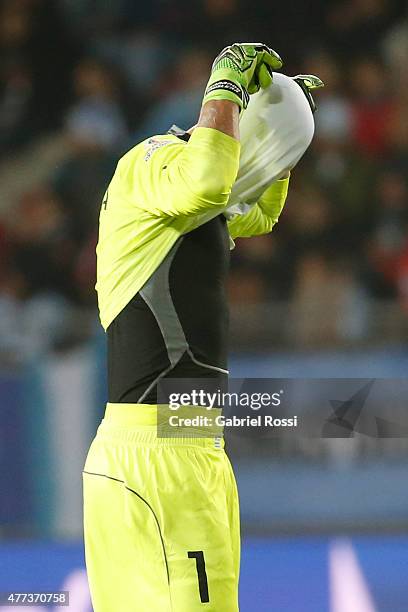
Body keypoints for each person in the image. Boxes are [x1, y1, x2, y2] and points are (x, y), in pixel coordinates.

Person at [83, 43, 322, 611]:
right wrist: (227, 88)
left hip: (173, 445)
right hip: (160, 454)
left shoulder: (188, 208)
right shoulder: (150, 160)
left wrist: (284, 127)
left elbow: (255, 212)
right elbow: (213, 181)